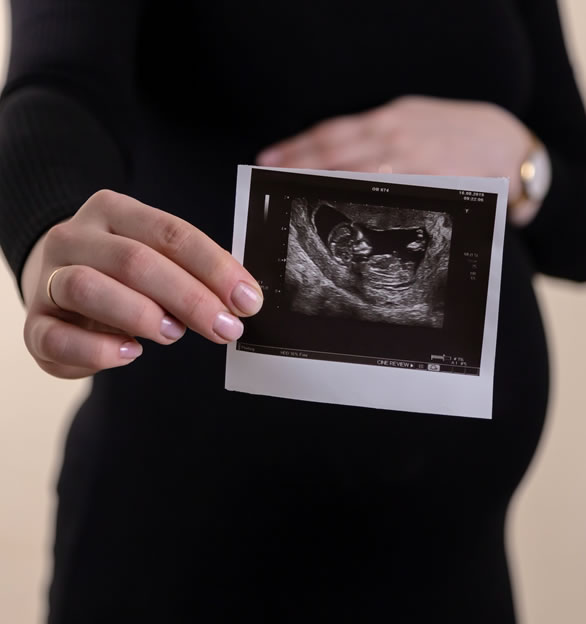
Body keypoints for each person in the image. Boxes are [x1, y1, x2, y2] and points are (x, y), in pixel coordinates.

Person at [0, 0, 585, 622]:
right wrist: (49, 234)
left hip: (455, 564)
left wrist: (525, 163)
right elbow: (58, 89)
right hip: (189, 549)